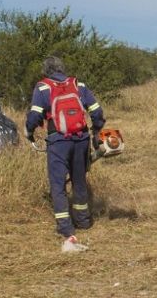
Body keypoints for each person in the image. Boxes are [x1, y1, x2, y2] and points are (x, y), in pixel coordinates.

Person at [25, 56, 106, 252]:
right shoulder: (78, 84)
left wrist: (29, 131)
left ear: (46, 71)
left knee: (58, 184)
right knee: (79, 180)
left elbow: (35, 115)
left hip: (58, 140)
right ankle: (84, 221)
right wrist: (96, 129)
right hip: (81, 139)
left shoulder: (43, 87)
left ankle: (65, 228)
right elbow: (96, 110)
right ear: (62, 69)